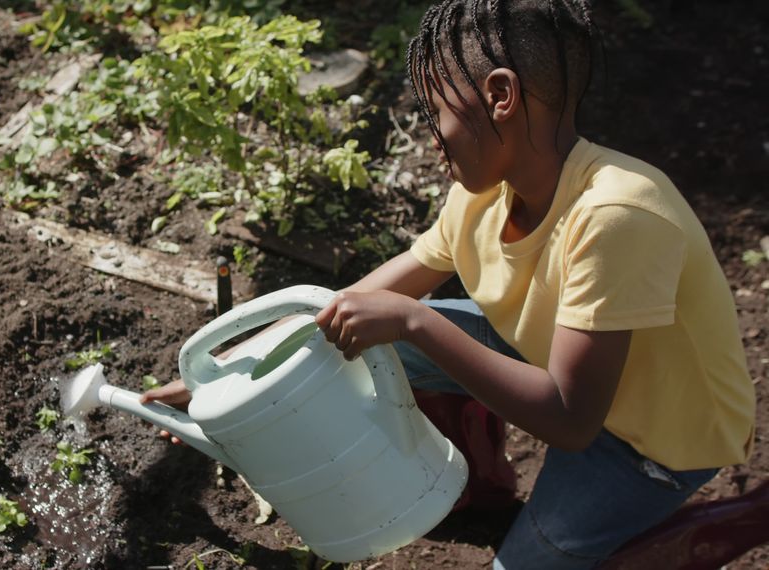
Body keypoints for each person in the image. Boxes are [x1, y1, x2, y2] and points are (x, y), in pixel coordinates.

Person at [141, 0, 756, 567]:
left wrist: (418, 321)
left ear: (500, 97)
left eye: (436, 113)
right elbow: (346, 306)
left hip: (648, 445)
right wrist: (228, 368)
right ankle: (482, 479)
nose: (433, 138)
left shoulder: (617, 213)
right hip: (552, 364)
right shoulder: (481, 199)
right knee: (365, 338)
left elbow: (572, 423)